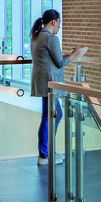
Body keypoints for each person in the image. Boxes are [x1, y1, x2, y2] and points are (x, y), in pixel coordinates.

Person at [30, 10, 67, 165]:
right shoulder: (51, 38)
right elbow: (60, 62)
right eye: (59, 23)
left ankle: (46, 151)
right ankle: (44, 154)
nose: (59, 26)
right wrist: (74, 54)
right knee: (49, 116)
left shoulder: (36, 36)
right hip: (50, 83)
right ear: (53, 21)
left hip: (41, 81)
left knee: (53, 115)